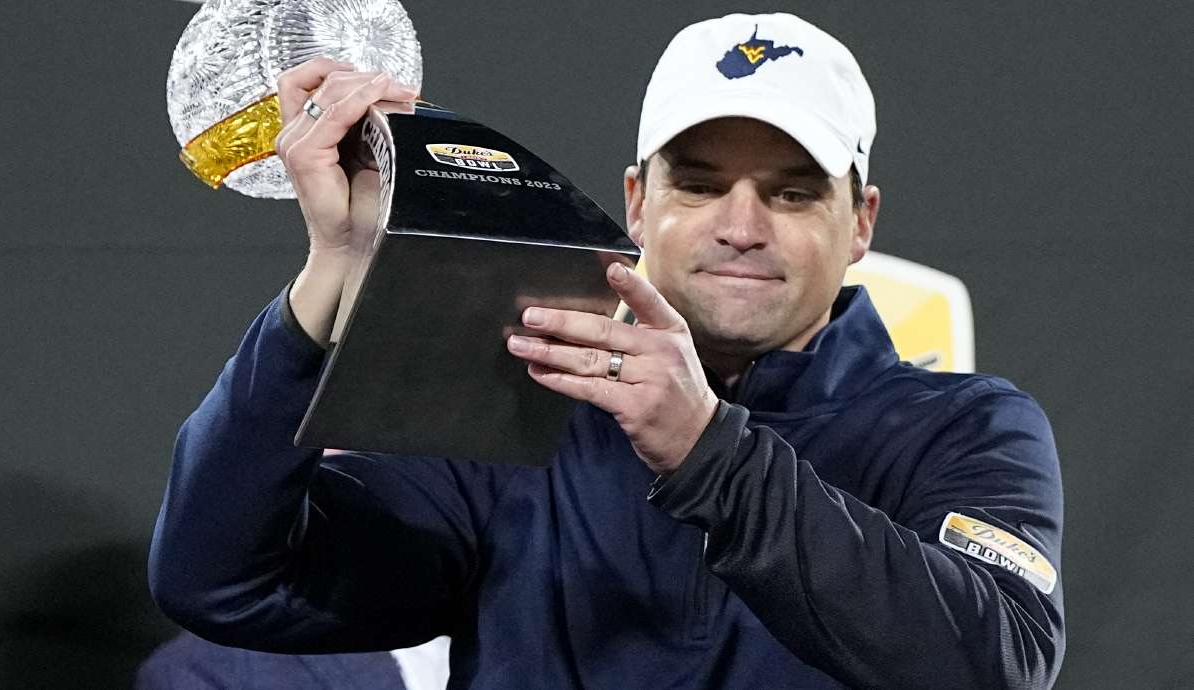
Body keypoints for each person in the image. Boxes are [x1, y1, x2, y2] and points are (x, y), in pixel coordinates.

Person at [149, 12, 1064, 689]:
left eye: (791, 194)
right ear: (636, 202)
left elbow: (999, 664)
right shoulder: (520, 403)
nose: (742, 227)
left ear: (859, 221)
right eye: (698, 185)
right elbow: (223, 582)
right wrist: (338, 270)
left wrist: (710, 453)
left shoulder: (964, 428)